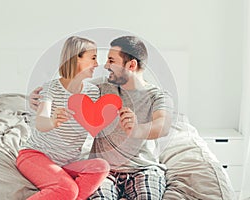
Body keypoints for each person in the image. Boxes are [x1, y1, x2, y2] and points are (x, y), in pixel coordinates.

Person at [29, 36, 173, 199]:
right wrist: (35, 98)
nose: (105, 66)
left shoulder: (158, 96)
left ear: (131, 65)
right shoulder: (101, 87)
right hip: (105, 172)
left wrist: (137, 129)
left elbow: (163, 125)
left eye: (111, 61)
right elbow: (66, 86)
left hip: (143, 169)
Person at [17, 36, 110, 200]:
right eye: (93, 58)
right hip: (36, 156)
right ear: (76, 59)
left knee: (101, 166)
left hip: (68, 163)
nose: (97, 64)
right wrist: (53, 121)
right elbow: (41, 122)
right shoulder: (51, 88)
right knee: (67, 189)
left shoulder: (93, 92)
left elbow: (96, 126)